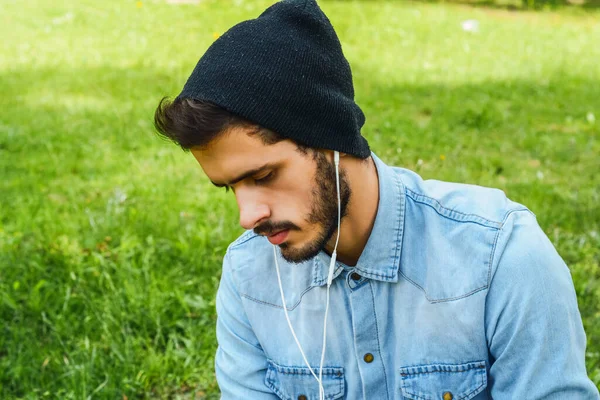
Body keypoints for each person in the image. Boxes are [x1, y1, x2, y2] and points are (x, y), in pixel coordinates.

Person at [153, 0, 599, 398]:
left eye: (265, 175)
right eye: (230, 187)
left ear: (330, 138)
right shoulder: (249, 277)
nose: (248, 216)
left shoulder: (502, 255)